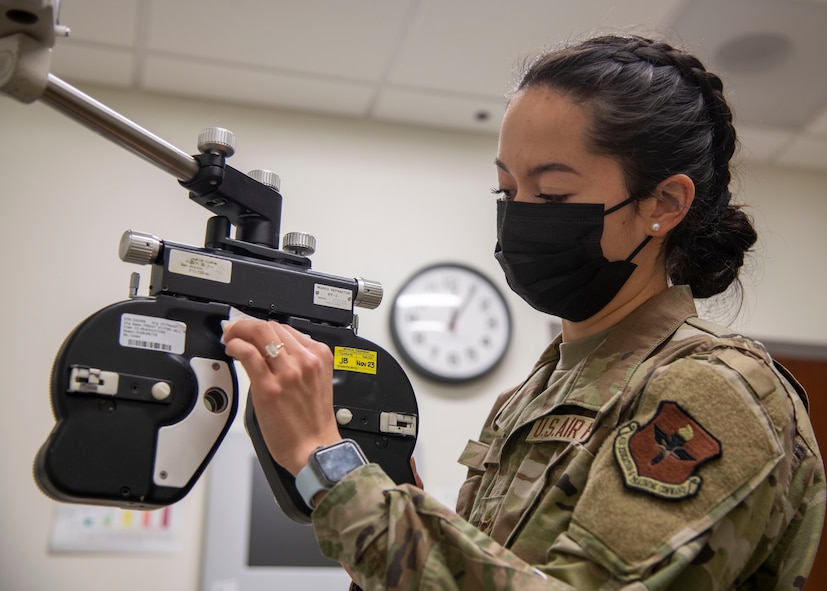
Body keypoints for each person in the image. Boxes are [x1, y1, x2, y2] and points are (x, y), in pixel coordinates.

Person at [222, 34, 826, 590]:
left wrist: (328, 467)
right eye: (506, 192)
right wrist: (394, 522)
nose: (520, 215)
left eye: (554, 194)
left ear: (663, 204)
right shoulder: (531, 396)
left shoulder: (714, 388)